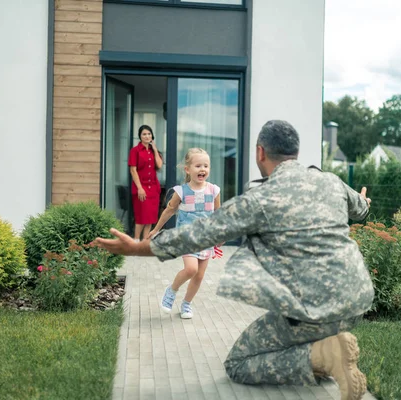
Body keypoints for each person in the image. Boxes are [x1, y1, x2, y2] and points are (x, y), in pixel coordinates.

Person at [95, 120, 373, 400]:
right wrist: (363, 200)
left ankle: (322, 356)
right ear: (296, 153)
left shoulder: (260, 198)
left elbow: (199, 234)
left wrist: (138, 247)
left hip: (310, 303)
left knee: (239, 364)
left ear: (260, 153)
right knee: (294, 331)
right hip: (356, 296)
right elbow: (361, 209)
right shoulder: (330, 181)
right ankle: (324, 347)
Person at [147, 148, 221, 319]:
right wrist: (156, 229)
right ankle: (171, 290)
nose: (202, 169)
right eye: (198, 166)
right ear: (188, 169)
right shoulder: (181, 191)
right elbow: (169, 210)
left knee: (199, 276)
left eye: (206, 166)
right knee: (191, 269)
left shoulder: (214, 190)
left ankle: (186, 304)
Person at [128, 125, 163, 241]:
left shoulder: (153, 151)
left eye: (149, 134)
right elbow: (133, 170)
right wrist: (139, 188)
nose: (147, 136)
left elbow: (159, 165)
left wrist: (155, 149)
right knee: (141, 216)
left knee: (151, 218)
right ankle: (136, 240)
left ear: (152, 135)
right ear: (140, 136)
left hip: (153, 188)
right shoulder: (135, 151)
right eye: (144, 134)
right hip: (141, 187)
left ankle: (145, 241)